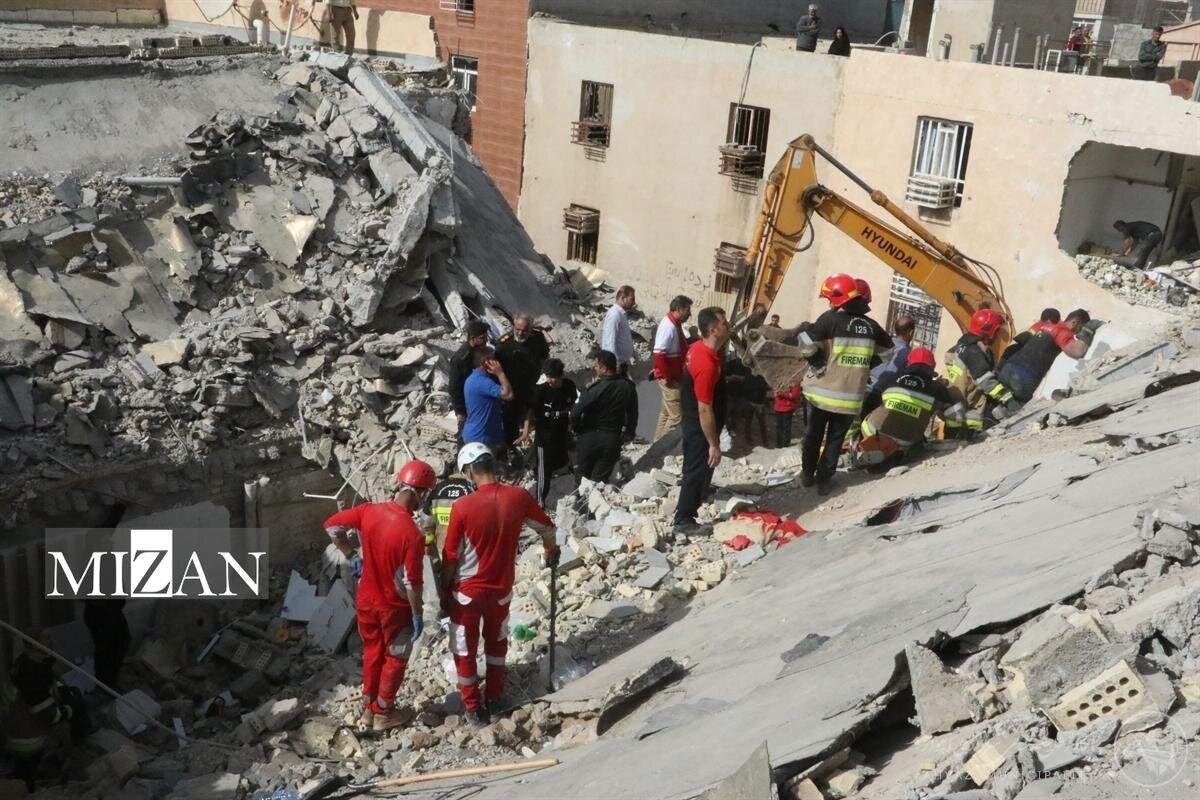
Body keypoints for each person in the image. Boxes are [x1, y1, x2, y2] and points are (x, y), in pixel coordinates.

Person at [441, 444, 558, 727]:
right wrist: (549, 552)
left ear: (469, 471)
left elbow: (451, 557)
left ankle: (473, 708)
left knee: (464, 650)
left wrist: (445, 592)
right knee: (496, 644)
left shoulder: (462, 507)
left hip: (467, 593)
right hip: (501, 590)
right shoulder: (518, 497)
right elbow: (547, 528)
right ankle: (495, 698)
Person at [324, 460, 436, 732]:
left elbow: (332, 527)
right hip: (393, 607)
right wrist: (418, 613)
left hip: (365, 601)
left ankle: (367, 711)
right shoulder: (412, 535)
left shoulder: (368, 511)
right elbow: (413, 582)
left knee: (372, 652)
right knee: (396, 656)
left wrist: (352, 556)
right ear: (420, 493)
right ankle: (383, 712)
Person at [797, 274, 894, 495]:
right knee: (835, 439)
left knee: (813, 435)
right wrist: (866, 365)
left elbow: (804, 342)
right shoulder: (872, 327)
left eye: (831, 298)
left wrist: (816, 361)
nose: (829, 303)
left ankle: (807, 475)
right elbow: (889, 352)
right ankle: (824, 481)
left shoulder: (829, 320)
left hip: (822, 392)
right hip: (850, 397)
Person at [673, 307, 731, 535]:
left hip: (694, 420)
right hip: (699, 424)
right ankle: (684, 519)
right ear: (713, 329)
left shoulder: (698, 348)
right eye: (724, 323)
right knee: (697, 467)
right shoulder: (706, 363)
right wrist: (714, 444)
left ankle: (701, 492)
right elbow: (705, 408)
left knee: (699, 467)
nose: (728, 325)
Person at [857, 347, 959, 470]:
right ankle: (896, 453)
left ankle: (865, 447)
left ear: (908, 363)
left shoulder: (893, 379)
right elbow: (950, 411)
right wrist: (955, 434)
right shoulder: (936, 388)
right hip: (904, 441)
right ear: (932, 367)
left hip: (871, 431)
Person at [996, 309, 1094, 404]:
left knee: (1001, 403)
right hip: (1024, 378)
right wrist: (1089, 329)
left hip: (1007, 370)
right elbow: (1077, 352)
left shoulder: (1045, 326)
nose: (1078, 333)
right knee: (1023, 412)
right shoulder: (1063, 331)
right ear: (1074, 322)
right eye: (1080, 328)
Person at [944, 308, 1013, 438]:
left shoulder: (962, 345)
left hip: (958, 410)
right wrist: (1008, 399)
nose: (998, 335)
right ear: (989, 331)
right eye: (997, 331)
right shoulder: (974, 353)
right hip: (965, 416)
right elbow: (986, 381)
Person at [571, 350, 638, 483]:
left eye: (596, 366)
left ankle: (579, 502)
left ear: (603, 368)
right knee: (599, 482)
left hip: (589, 438)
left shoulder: (595, 388)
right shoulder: (628, 386)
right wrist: (629, 431)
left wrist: (577, 430)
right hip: (612, 439)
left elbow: (575, 413)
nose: (594, 369)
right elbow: (633, 412)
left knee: (582, 481)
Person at [495, 313, 552, 447]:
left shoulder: (537, 338)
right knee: (511, 420)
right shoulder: (504, 344)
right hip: (512, 388)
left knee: (531, 413)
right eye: (517, 330)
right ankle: (510, 447)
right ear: (514, 326)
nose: (520, 333)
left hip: (531, 384)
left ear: (530, 329)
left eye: (524, 331)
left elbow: (544, 356)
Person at [532, 358, 578, 505]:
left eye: (554, 377)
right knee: (543, 471)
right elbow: (532, 412)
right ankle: (540, 502)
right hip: (544, 439)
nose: (551, 380)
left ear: (560, 376)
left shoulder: (569, 386)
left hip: (562, 435)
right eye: (548, 376)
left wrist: (568, 415)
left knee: (565, 463)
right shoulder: (541, 390)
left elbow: (573, 405)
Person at [652, 295, 693, 441]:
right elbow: (659, 354)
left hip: (674, 376)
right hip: (670, 379)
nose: (690, 314)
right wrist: (667, 377)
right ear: (679, 309)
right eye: (687, 310)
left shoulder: (674, 324)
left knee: (666, 413)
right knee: (676, 417)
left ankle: (656, 442)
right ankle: (661, 449)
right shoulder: (668, 326)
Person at [462, 347, 514, 454]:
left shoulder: (472, 378)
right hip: (482, 438)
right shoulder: (482, 382)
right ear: (485, 362)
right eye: (493, 359)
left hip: (478, 434)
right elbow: (508, 394)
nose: (496, 362)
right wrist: (500, 373)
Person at [863, 315, 915, 416]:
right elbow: (890, 376)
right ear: (911, 332)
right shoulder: (905, 353)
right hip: (878, 396)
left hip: (864, 389)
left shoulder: (883, 343)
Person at [449, 321, 491, 437]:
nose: (486, 340)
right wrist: (460, 411)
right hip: (467, 404)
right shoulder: (461, 358)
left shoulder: (479, 352)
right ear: (473, 338)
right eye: (483, 338)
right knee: (466, 432)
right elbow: (454, 388)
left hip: (478, 400)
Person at [601, 285, 636, 376]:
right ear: (623, 298)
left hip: (621, 365)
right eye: (631, 299)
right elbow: (609, 341)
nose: (634, 302)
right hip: (616, 367)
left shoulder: (621, 314)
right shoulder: (614, 315)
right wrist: (614, 366)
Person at [774, 383, 802, 448]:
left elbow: (794, 396)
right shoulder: (780, 382)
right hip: (778, 407)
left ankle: (785, 444)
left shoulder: (795, 384)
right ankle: (779, 443)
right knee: (779, 427)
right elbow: (776, 393)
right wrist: (777, 393)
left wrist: (782, 394)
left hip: (787, 408)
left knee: (786, 427)